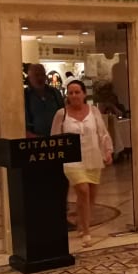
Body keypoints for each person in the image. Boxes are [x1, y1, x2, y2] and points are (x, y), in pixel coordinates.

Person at [51, 80, 113, 248]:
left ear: (84, 94)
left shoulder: (94, 111)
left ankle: (80, 221)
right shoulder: (61, 114)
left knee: (90, 195)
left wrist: (107, 151)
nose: (74, 96)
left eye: (77, 92)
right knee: (83, 190)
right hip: (72, 160)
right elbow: (55, 137)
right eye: (70, 93)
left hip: (93, 156)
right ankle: (86, 231)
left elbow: (102, 133)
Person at [24, 63, 64, 138]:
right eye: (36, 75)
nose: (40, 78)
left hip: (57, 138)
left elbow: (63, 114)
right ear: (29, 78)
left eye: (42, 74)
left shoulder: (55, 93)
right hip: (34, 140)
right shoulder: (24, 96)